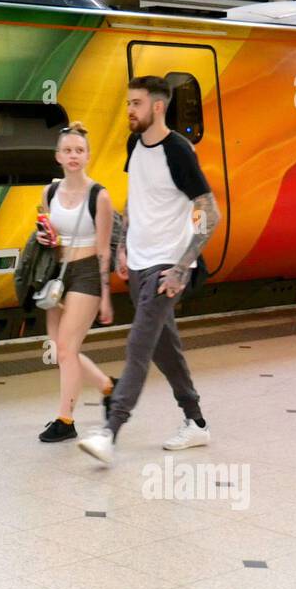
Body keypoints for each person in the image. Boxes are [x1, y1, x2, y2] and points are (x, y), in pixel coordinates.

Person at [79, 77, 220, 463]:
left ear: (158, 107)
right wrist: (123, 244)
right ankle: (197, 423)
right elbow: (135, 197)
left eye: (136, 103)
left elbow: (211, 212)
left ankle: (110, 431)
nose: (129, 110)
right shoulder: (134, 143)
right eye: (128, 103)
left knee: (138, 344)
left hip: (166, 267)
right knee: (165, 349)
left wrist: (181, 268)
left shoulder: (178, 151)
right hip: (139, 261)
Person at [37, 123, 118, 443]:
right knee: (58, 351)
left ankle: (66, 419)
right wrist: (44, 237)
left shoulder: (100, 196)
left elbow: (103, 249)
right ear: (58, 156)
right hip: (56, 273)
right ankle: (109, 387)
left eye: (79, 151)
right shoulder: (50, 192)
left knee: (69, 349)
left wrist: (107, 296)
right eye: (68, 150)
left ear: (88, 156)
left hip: (86, 273)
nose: (73, 156)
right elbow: (48, 234)